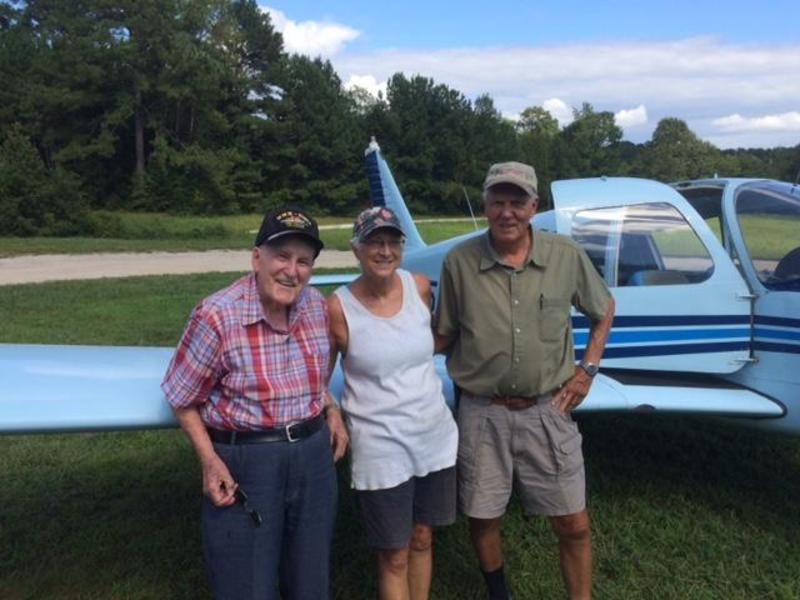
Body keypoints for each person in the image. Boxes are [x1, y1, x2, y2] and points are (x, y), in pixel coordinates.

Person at [434, 162, 615, 600]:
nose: (507, 212)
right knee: (483, 516)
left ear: (534, 207)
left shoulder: (565, 255)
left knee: (573, 521)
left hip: (548, 409)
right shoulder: (459, 262)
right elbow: (443, 335)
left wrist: (588, 370)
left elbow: (603, 308)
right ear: (485, 206)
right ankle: (499, 593)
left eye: (517, 202)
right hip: (481, 411)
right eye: (498, 201)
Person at [161, 206, 348, 600]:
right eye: (282, 256)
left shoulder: (316, 306)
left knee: (311, 580)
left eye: (303, 261)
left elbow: (313, 377)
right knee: (245, 584)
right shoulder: (217, 315)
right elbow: (181, 397)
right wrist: (209, 460)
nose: (292, 271)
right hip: (249, 461)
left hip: (313, 456)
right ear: (257, 258)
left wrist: (331, 409)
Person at [327, 206, 459, 600]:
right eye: (374, 242)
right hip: (381, 446)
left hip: (433, 434)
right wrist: (332, 411)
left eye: (392, 242)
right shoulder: (338, 307)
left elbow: (433, 340)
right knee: (394, 555)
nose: (384, 251)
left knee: (422, 537)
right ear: (356, 249)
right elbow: (319, 377)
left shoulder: (418, 286)